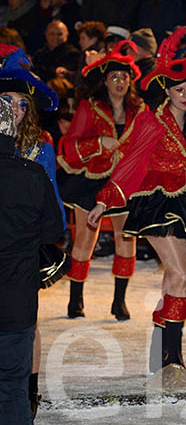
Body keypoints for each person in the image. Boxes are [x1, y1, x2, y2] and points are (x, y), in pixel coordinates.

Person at [87, 27, 186, 386]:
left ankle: (160, 343)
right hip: (157, 200)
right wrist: (106, 200)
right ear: (166, 89)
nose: (185, 95)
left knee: (180, 278)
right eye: (179, 90)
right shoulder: (150, 120)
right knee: (180, 275)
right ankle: (172, 359)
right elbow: (131, 163)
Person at [0, 46, 68, 419]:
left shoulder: (41, 148)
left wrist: (52, 240)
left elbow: (53, 199)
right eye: (6, 100)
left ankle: (28, 391)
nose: (14, 108)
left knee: (29, 323)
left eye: (21, 103)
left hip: (23, 249)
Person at [58, 46, 144, 320]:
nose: (121, 82)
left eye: (125, 77)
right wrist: (98, 144)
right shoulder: (90, 106)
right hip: (93, 180)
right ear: (105, 80)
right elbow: (70, 144)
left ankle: (119, 301)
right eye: (115, 77)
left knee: (126, 238)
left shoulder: (139, 109)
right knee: (85, 238)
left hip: (125, 182)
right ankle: (76, 300)